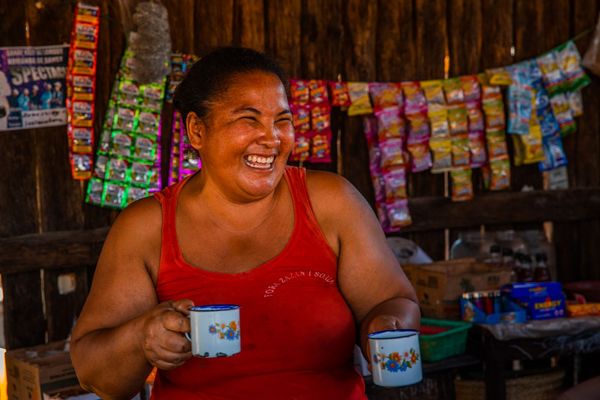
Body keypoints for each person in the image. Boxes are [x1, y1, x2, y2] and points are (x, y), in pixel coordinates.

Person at [71, 47, 420, 400]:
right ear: (197, 130)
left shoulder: (331, 202)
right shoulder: (146, 227)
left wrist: (387, 325)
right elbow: (94, 374)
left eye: (282, 121)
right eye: (249, 119)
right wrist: (141, 339)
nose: (271, 138)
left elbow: (391, 300)